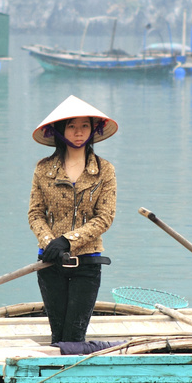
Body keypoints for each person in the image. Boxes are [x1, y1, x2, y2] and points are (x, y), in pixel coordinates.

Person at [28, 94, 117, 353]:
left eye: (85, 126)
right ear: (60, 130)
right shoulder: (43, 169)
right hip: (50, 262)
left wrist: (68, 240)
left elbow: (105, 217)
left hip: (87, 264)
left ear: (93, 130)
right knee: (58, 337)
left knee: (75, 339)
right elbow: (35, 213)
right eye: (71, 126)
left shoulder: (104, 170)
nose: (78, 132)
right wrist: (49, 243)